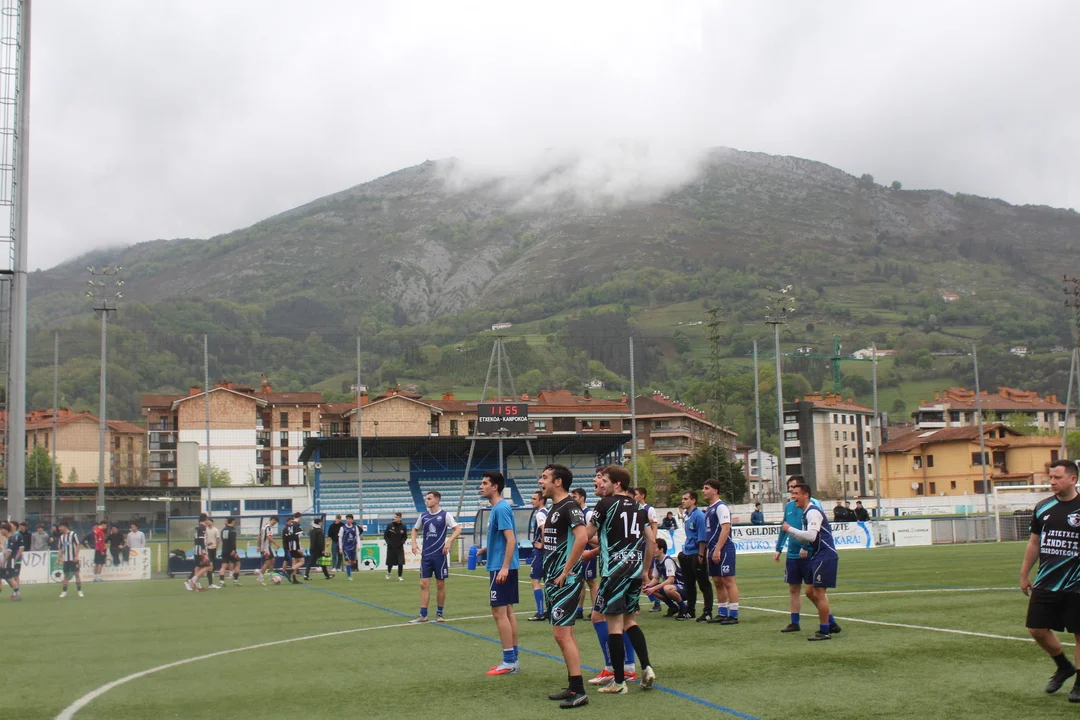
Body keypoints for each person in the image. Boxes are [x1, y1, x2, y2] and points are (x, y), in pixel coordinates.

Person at [588, 464, 657, 694]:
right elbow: (651, 541)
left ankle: (619, 682)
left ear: (617, 484)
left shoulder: (605, 504)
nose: (602, 484)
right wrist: (646, 570)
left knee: (615, 626)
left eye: (605, 481)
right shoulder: (639, 507)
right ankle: (646, 666)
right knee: (630, 622)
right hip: (635, 572)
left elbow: (586, 534)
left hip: (614, 572)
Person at [1021, 459, 1080, 700]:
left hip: (1077, 583)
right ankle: (1064, 666)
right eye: (1051, 477)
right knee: (1036, 628)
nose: (1052, 482)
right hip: (1046, 580)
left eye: (1057, 477)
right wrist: (1024, 574)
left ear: (1073, 479)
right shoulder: (1043, 507)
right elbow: (1034, 542)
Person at [539, 463, 590, 709]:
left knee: (561, 634)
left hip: (565, 581)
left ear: (557, 481)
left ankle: (579, 691)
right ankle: (573, 685)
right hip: (554, 579)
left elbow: (582, 538)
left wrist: (566, 570)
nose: (541, 481)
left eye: (545, 477)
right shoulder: (555, 507)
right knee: (566, 633)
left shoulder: (570, 506)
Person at [781, 483, 841, 641]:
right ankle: (831, 623)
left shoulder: (813, 512)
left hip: (825, 556)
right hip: (817, 555)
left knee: (819, 593)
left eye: (796, 493)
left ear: (806, 495)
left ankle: (825, 630)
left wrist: (790, 529)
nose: (793, 497)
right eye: (792, 493)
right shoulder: (806, 513)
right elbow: (806, 538)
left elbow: (811, 536)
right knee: (809, 592)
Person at [476, 470, 520, 676]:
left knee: (499, 613)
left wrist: (504, 567)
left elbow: (511, 539)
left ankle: (509, 661)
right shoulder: (498, 508)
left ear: (495, 487)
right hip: (502, 565)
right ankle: (513, 659)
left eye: (485, 483)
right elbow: (503, 538)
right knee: (508, 612)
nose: (481, 486)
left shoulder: (501, 508)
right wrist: (486, 549)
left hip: (501, 567)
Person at [773, 475, 821, 633]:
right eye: (789, 488)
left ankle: (828, 620)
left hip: (809, 554)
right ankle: (795, 622)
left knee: (813, 591)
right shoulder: (789, 506)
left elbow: (814, 531)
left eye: (793, 488)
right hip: (792, 554)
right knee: (793, 588)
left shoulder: (813, 505)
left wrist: (806, 547)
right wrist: (779, 548)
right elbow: (785, 527)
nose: (791, 491)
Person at [410, 491, 461, 623]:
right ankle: (423, 615)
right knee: (423, 584)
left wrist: (449, 541)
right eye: (426, 498)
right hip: (426, 555)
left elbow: (457, 529)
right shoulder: (423, 516)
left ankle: (439, 613)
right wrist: (414, 543)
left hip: (440, 555)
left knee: (440, 584)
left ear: (437, 500)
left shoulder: (445, 515)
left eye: (429, 498)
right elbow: (415, 529)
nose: (426, 501)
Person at [702, 479, 740, 625]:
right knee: (717, 581)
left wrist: (718, 549)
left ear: (715, 491)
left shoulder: (721, 507)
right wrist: (709, 550)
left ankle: (733, 614)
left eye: (706, 488)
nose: (703, 491)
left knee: (728, 580)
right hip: (713, 549)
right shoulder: (709, 509)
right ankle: (722, 612)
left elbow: (725, 529)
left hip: (724, 548)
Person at [677, 490, 712, 622]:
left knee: (703, 584)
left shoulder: (699, 516)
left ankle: (707, 612)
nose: (683, 501)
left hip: (696, 553)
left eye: (686, 499)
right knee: (689, 584)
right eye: (683, 499)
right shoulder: (687, 515)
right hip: (687, 552)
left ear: (693, 501)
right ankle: (690, 610)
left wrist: (701, 554)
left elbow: (702, 537)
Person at [643, 537, 687, 617]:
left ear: (661, 550)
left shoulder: (668, 560)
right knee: (650, 589)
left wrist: (654, 588)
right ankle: (673, 607)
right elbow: (656, 578)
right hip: (672, 587)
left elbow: (671, 580)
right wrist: (648, 586)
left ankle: (683, 608)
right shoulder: (657, 561)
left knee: (667, 588)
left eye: (655, 548)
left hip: (682, 587)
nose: (652, 550)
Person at [526, 490, 549, 622]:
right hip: (547, 552)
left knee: (535, 581)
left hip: (540, 552)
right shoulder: (547, 512)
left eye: (534, 499)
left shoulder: (540, 514)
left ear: (541, 501)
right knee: (547, 581)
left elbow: (544, 529)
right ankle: (549, 610)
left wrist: (542, 544)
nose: (532, 501)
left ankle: (540, 612)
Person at [57, 521, 84, 598]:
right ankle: (64, 592)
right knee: (66, 575)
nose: (59, 528)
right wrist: (58, 558)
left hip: (73, 559)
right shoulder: (61, 537)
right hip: (66, 559)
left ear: (65, 526)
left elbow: (78, 545)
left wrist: (76, 556)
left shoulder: (73, 534)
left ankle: (79, 591)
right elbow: (60, 549)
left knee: (76, 574)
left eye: (60, 527)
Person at [185, 514, 212, 592]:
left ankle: (196, 586)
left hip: (196, 548)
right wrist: (203, 548)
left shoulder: (197, 527)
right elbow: (201, 538)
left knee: (198, 567)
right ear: (205, 519)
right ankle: (192, 580)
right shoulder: (202, 527)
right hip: (200, 550)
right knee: (209, 566)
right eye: (207, 519)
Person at [254, 516, 279, 586]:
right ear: (273, 520)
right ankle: (260, 578)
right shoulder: (268, 527)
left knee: (272, 560)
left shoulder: (263, 527)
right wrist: (276, 543)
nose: (275, 524)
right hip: (266, 548)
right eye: (275, 522)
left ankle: (271, 576)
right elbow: (268, 537)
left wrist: (258, 546)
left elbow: (259, 537)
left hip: (266, 547)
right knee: (267, 562)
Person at [1, 522, 22, 601]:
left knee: (10, 578)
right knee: (9, 578)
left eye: (2, 529)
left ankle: (17, 594)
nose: (1, 531)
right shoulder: (7, 539)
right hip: (7, 561)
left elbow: (9, 552)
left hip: (9, 561)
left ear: (6, 530)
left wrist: (4, 561)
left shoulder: (11, 539)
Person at [383, 512, 407, 581]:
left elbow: (405, 537)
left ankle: (400, 576)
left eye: (396, 517)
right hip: (391, 547)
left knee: (400, 562)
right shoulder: (389, 525)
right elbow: (385, 536)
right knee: (390, 562)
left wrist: (402, 543)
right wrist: (388, 543)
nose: (395, 518)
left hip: (399, 547)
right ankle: (388, 573)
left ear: (400, 518)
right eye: (394, 517)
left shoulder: (403, 526)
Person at [339, 514, 363, 579]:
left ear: (352, 520)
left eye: (350, 519)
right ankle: (349, 576)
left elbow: (357, 536)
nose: (348, 520)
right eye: (347, 519)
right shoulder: (342, 528)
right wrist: (340, 548)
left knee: (353, 562)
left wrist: (358, 546)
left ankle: (347, 568)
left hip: (353, 546)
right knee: (348, 561)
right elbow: (340, 538)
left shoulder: (355, 527)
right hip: (346, 547)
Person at [282, 515, 305, 584]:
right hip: (295, 546)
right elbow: (297, 537)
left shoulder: (288, 527)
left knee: (294, 561)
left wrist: (287, 548)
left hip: (290, 546)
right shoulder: (296, 524)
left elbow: (286, 538)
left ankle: (294, 579)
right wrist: (298, 548)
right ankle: (289, 572)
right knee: (302, 561)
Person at [219, 516, 242, 585]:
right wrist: (234, 550)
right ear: (233, 521)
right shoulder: (233, 530)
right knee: (237, 563)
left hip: (224, 549)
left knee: (223, 566)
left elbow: (223, 539)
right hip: (231, 550)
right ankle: (235, 580)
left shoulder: (223, 530)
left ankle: (221, 581)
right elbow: (233, 541)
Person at [205, 516, 221, 586]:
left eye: (209, 522)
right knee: (209, 560)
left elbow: (218, 539)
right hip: (207, 548)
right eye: (207, 522)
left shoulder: (215, 530)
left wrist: (216, 546)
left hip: (213, 547)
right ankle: (209, 572)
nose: (208, 523)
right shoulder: (205, 530)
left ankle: (213, 572)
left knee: (213, 560)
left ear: (212, 522)